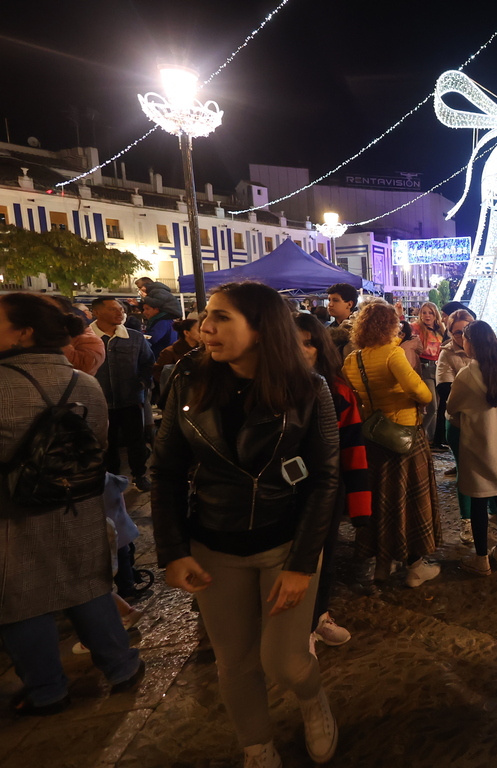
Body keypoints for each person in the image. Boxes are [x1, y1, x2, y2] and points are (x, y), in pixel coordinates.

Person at [151, 282, 339, 766]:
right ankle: (257, 747)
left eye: (221, 317)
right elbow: (166, 469)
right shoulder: (187, 379)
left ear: (261, 330)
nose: (205, 327)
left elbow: (324, 480)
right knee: (234, 662)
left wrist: (302, 563)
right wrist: (173, 550)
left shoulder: (308, 389)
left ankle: (311, 697)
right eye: (206, 315)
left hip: (285, 543)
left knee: (284, 660)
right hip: (213, 543)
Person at [0, 293, 145, 716]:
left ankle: (47, 691)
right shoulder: (83, 383)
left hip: (13, 511)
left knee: (21, 601)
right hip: (78, 502)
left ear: (23, 334)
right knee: (88, 587)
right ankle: (122, 667)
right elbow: (97, 446)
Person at [343, 302, 442, 588]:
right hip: (404, 437)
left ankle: (382, 564)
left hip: (373, 437)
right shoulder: (392, 355)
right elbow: (421, 393)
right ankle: (415, 566)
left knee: (381, 502)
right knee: (409, 502)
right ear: (388, 326)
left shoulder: (352, 360)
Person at [295, 314, 372, 652]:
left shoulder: (339, 391)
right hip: (280, 494)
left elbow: (353, 450)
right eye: (294, 341)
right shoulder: (266, 388)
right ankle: (295, 629)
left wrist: (360, 507)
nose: (301, 349)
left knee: (323, 559)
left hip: (325, 490)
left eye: (309, 342)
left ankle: (317, 618)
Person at [447, 321, 497, 576]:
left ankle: (481, 559)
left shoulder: (468, 374)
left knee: (478, 500)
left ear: (472, 342)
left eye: (464, 339)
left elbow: (451, 407)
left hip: (476, 443)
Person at [90, 296, 154, 492]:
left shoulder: (134, 337)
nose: (120, 313)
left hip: (130, 399)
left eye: (121, 309)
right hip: (99, 402)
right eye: (112, 309)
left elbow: (147, 363)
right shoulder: (85, 338)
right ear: (96, 312)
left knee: (136, 441)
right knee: (106, 444)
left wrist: (143, 383)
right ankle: (112, 480)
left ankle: (139, 475)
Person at [438, 309, 477, 544]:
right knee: (465, 472)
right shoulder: (447, 354)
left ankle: (493, 513)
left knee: (494, 469)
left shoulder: (492, 348)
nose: (463, 336)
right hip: (460, 422)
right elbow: (445, 390)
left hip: (487, 422)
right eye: (458, 332)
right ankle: (467, 521)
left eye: (468, 330)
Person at [414, 301, 446, 449]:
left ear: (435, 314)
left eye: (430, 313)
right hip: (424, 366)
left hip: (438, 367)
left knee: (438, 405)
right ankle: (417, 436)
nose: (427, 316)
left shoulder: (440, 329)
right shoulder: (417, 327)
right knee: (431, 405)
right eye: (424, 312)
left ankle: (431, 439)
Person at [153, 318, 202, 386]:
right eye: (199, 330)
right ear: (186, 333)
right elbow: (160, 376)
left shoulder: (205, 350)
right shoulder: (169, 352)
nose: (202, 333)